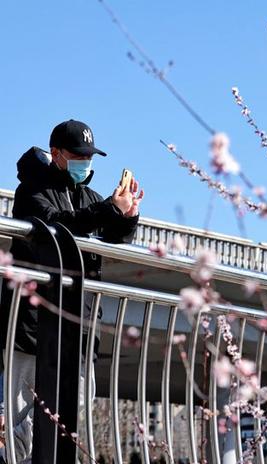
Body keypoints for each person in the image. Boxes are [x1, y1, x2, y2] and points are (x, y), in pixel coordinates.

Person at [0, 119, 144, 463]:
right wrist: (108, 210)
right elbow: (60, 225)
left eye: (89, 156)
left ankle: (22, 452)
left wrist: (127, 218)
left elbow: (112, 240)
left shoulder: (92, 198)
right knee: (22, 409)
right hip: (32, 326)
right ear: (56, 153)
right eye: (78, 155)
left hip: (80, 324)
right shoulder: (33, 190)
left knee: (76, 403)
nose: (85, 162)